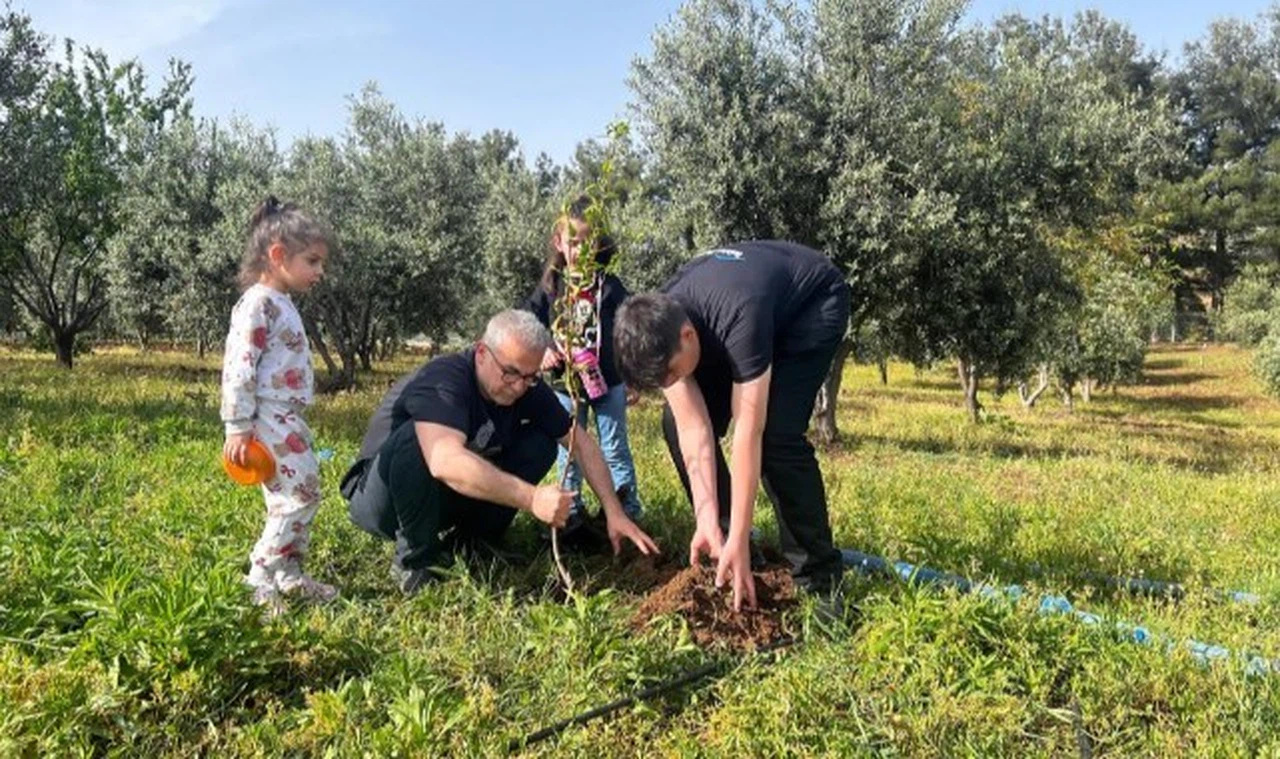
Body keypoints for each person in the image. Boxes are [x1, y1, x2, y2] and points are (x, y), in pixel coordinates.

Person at [341, 309, 658, 595]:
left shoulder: (526, 386)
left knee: (541, 443)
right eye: (510, 372)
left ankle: (473, 543)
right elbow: (444, 461)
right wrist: (532, 498)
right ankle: (416, 560)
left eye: (530, 376)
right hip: (382, 502)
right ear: (481, 353)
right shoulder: (444, 380)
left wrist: (614, 511)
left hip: (441, 499)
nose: (519, 386)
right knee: (420, 437)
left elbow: (581, 444)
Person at [613, 241, 850, 611]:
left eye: (672, 372)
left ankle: (819, 579)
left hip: (811, 306)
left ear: (688, 337)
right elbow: (693, 429)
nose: (670, 381)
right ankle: (723, 541)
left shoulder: (741, 317)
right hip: (741, 309)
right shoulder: (662, 325)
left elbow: (747, 433)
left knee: (776, 436)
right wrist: (708, 518)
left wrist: (740, 530)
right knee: (674, 421)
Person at [221, 195, 338, 616]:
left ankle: (289, 576)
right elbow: (239, 365)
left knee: (302, 494)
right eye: (312, 261)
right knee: (297, 498)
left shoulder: (279, 302)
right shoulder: (257, 303)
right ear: (277, 256)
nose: (319, 272)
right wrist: (237, 424)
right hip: (269, 417)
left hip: (287, 417)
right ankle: (259, 578)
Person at [520, 197, 644, 545]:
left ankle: (625, 511)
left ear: (599, 244)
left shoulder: (610, 285)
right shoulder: (551, 287)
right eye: (572, 242)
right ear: (558, 242)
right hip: (563, 386)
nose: (579, 250)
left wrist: (633, 376)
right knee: (569, 448)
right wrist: (543, 349)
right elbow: (528, 323)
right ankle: (570, 515)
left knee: (614, 447)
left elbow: (628, 329)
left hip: (610, 383)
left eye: (588, 242)